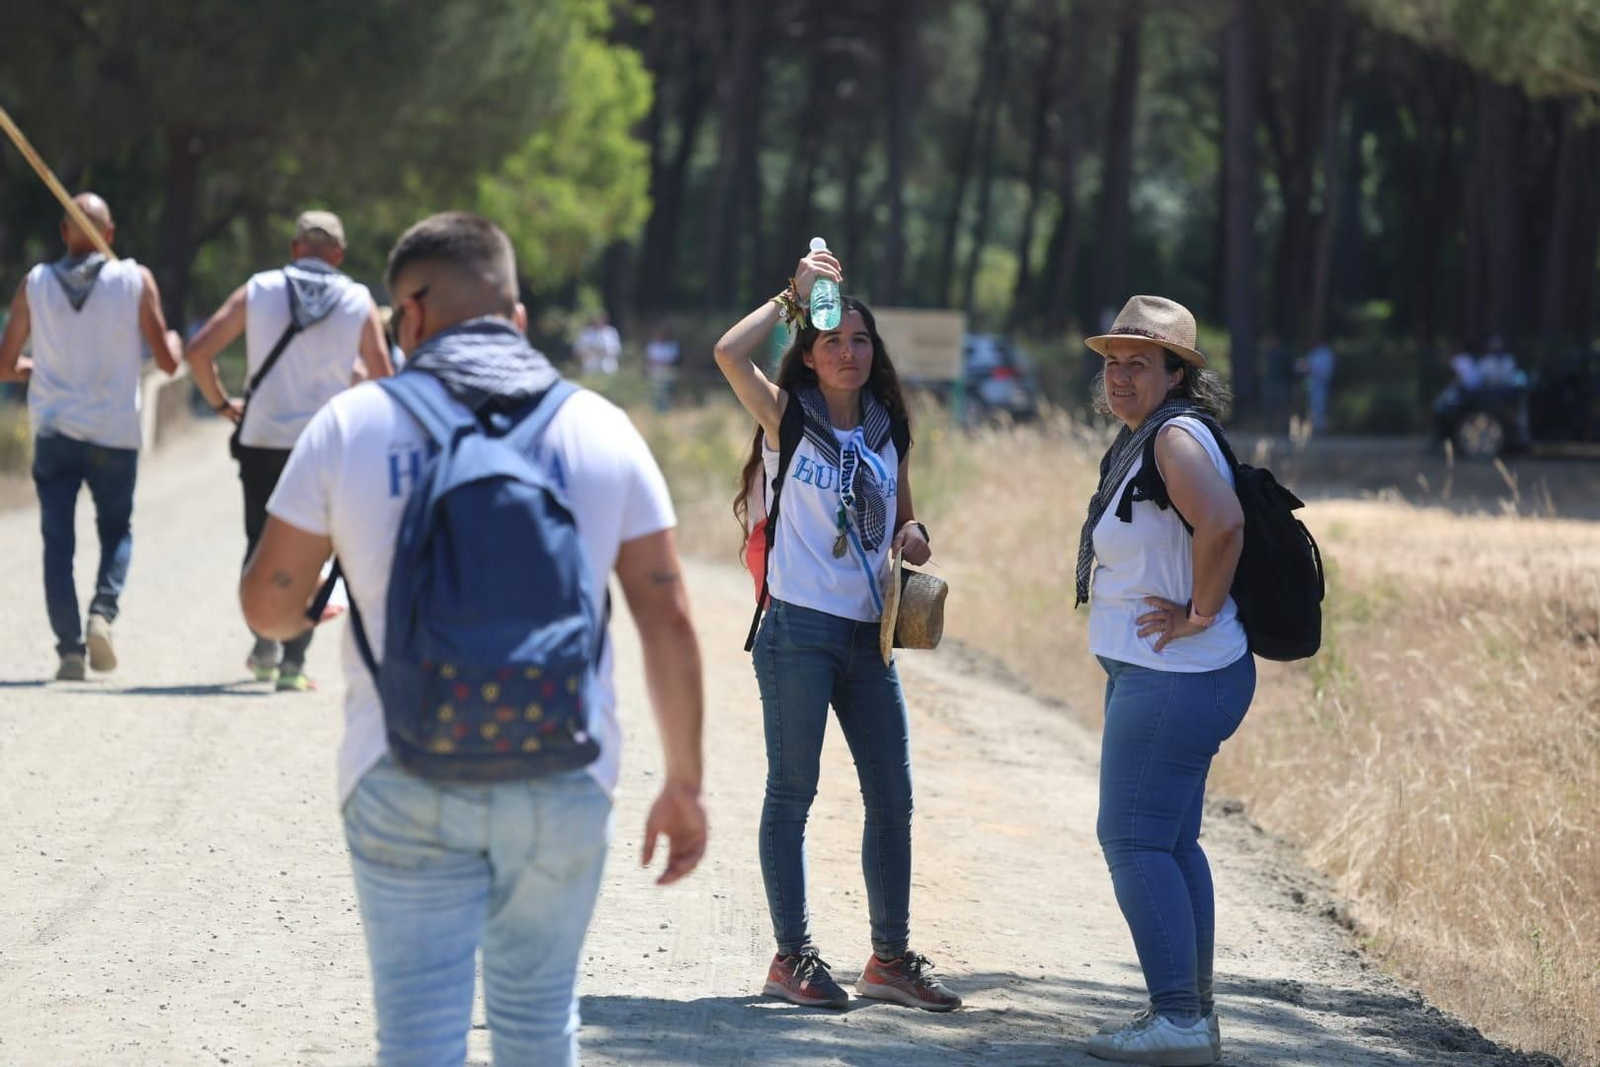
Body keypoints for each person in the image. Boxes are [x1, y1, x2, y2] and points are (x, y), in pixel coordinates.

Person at [239, 212, 708, 1064]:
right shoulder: (600, 427)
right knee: (536, 1029)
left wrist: (314, 607)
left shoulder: (350, 425)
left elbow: (267, 607)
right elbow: (667, 616)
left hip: (400, 767)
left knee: (419, 1039)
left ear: (408, 316)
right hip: (564, 770)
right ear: (517, 318)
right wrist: (684, 780)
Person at [713, 244, 959, 1012]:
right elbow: (727, 351)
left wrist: (914, 539)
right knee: (793, 792)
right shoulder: (789, 418)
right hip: (796, 631)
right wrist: (795, 297)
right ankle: (793, 957)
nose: (848, 353)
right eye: (832, 342)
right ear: (810, 358)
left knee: (895, 795)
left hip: (866, 637)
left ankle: (888, 960)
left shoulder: (888, 428)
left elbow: (907, 520)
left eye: (859, 341)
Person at [1075, 295, 1254, 1065]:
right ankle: (1194, 1014)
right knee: (1173, 843)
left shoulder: (1174, 438)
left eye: (1138, 363)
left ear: (1177, 372)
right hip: (1170, 673)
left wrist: (1198, 613)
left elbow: (1223, 524)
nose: (1120, 377)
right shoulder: (1148, 436)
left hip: (1175, 673)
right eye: (1113, 363)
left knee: (1132, 837)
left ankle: (1177, 1020)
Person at [186, 210, 393, 691]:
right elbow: (385, 380)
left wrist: (220, 403)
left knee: (260, 540)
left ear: (295, 248)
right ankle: (294, 663)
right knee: (319, 550)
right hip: (327, 444)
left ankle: (263, 641)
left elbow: (198, 351)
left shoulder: (258, 289)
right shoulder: (357, 299)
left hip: (261, 439)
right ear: (338, 254)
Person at [0, 192, 182, 680]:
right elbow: (166, 361)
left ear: (64, 233)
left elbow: (4, 364)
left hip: (55, 430)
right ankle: (102, 613)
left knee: (57, 542)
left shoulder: (33, 284)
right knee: (116, 531)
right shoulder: (134, 280)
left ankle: (69, 652)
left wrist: (38, 370)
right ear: (111, 234)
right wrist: (177, 343)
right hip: (114, 431)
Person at [1298, 339, 1335, 434]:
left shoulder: (1326, 354)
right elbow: (1305, 366)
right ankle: (1313, 428)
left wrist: (1312, 368)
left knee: (1320, 407)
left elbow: (1326, 371)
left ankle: (1320, 429)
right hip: (1311, 385)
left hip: (1321, 385)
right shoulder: (1314, 353)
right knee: (1311, 408)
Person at [645, 323, 681, 411]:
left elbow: (671, 361)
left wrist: (659, 362)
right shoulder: (652, 345)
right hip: (655, 373)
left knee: (667, 395)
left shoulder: (672, 346)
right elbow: (650, 360)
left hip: (667, 373)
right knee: (656, 394)